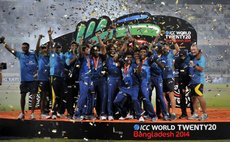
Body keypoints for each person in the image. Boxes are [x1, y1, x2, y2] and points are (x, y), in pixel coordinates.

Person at [2, 37, 38, 120]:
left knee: (34, 96)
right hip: (24, 80)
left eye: (25, 47)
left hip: (33, 80)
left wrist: (37, 72)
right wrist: (4, 43)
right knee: (22, 96)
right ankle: (22, 113)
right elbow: (11, 50)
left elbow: (38, 62)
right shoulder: (20, 54)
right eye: (22, 47)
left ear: (28, 48)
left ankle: (32, 114)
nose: (23, 49)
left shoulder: (33, 55)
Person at [113, 52, 144, 122]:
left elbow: (138, 72)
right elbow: (115, 59)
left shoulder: (133, 66)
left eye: (130, 57)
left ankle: (139, 116)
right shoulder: (121, 65)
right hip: (124, 87)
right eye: (128, 57)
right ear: (124, 58)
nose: (129, 58)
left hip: (134, 87)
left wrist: (140, 64)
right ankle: (124, 114)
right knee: (116, 102)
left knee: (134, 99)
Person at [160, 37, 180, 120]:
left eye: (167, 46)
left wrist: (174, 42)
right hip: (162, 77)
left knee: (171, 95)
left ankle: (174, 113)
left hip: (170, 77)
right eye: (164, 46)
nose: (165, 47)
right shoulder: (161, 55)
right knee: (163, 95)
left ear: (169, 47)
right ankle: (166, 113)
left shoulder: (171, 53)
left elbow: (178, 49)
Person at [188, 43, 208, 121]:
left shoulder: (201, 58)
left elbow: (201, 69)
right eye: (192, 50)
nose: (193, 51)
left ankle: (205, 114)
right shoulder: (193, 57)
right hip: (193, 81)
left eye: (194, 49)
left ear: (198, 50)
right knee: (193, 98)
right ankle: (195, 114)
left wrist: (194, 66)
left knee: (200, 96)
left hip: (198, 80)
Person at [174, 49, 193, 119]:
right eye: (181, 56)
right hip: (181, 79)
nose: (182, 57)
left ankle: (193, 113)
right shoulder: (177, 60)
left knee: (192, 96)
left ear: (186, 55)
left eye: (183, 56)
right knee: (182, 97)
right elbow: (176, 68)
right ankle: (184, 114)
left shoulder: (189, 57)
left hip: (190, 79)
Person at [49, 42, 66, 119]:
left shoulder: (63, 55)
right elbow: (51, 43)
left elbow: (66, 63)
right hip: (54, 76)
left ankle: (59, 111)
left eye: (59, 47)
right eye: (56, 47)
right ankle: (53, 112)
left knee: (61, 96)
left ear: (61, 48)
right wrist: (50, 36)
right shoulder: (52, 54)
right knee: (55, 96)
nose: (57, 48)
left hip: (62, 77)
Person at [64, 41, 80, 119]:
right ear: (70, 46)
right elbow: (68, 63)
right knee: (70, 96)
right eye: (72, 45)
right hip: (69, 78)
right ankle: (70, 112)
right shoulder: (67, 54)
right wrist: (74, 55)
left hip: (78, 78)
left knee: (77, 96)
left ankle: (77, 112)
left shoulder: (80, 54)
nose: (73, 47)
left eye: (75, 45)